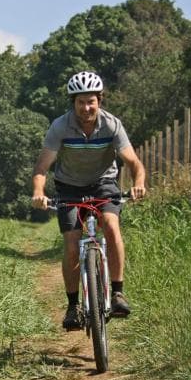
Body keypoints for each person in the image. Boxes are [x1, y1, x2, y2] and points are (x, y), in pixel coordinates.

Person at [30, 71, 146, 331]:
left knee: (111, 224)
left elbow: (134, 163)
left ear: (100, 100)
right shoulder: (60, 127)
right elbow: (42, 168)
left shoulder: (112, 125)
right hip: (69, 187)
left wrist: (138, 184)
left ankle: (117, 293)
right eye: (81, 102)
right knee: (72, 245)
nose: (86, 107)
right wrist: (39, 193)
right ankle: (73, 306)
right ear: (73, 103)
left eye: (91, 101)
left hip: (103, 183)